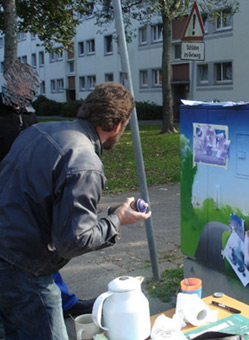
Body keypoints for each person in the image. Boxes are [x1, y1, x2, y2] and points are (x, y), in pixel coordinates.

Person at [0, 81, 151, 339]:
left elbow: (35, 198)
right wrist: (116, 220)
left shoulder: (37, 132)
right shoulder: (84, 162)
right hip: (25, 271)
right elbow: (73, 241)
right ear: (116, 125)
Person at [0, 61, 95, 320]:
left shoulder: (29, 115)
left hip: (32, 191)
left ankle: (65, 302)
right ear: (9, 83)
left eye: (29, 86)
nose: (25, 90)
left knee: (42, 249)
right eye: (19, 84)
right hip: (8, 188)